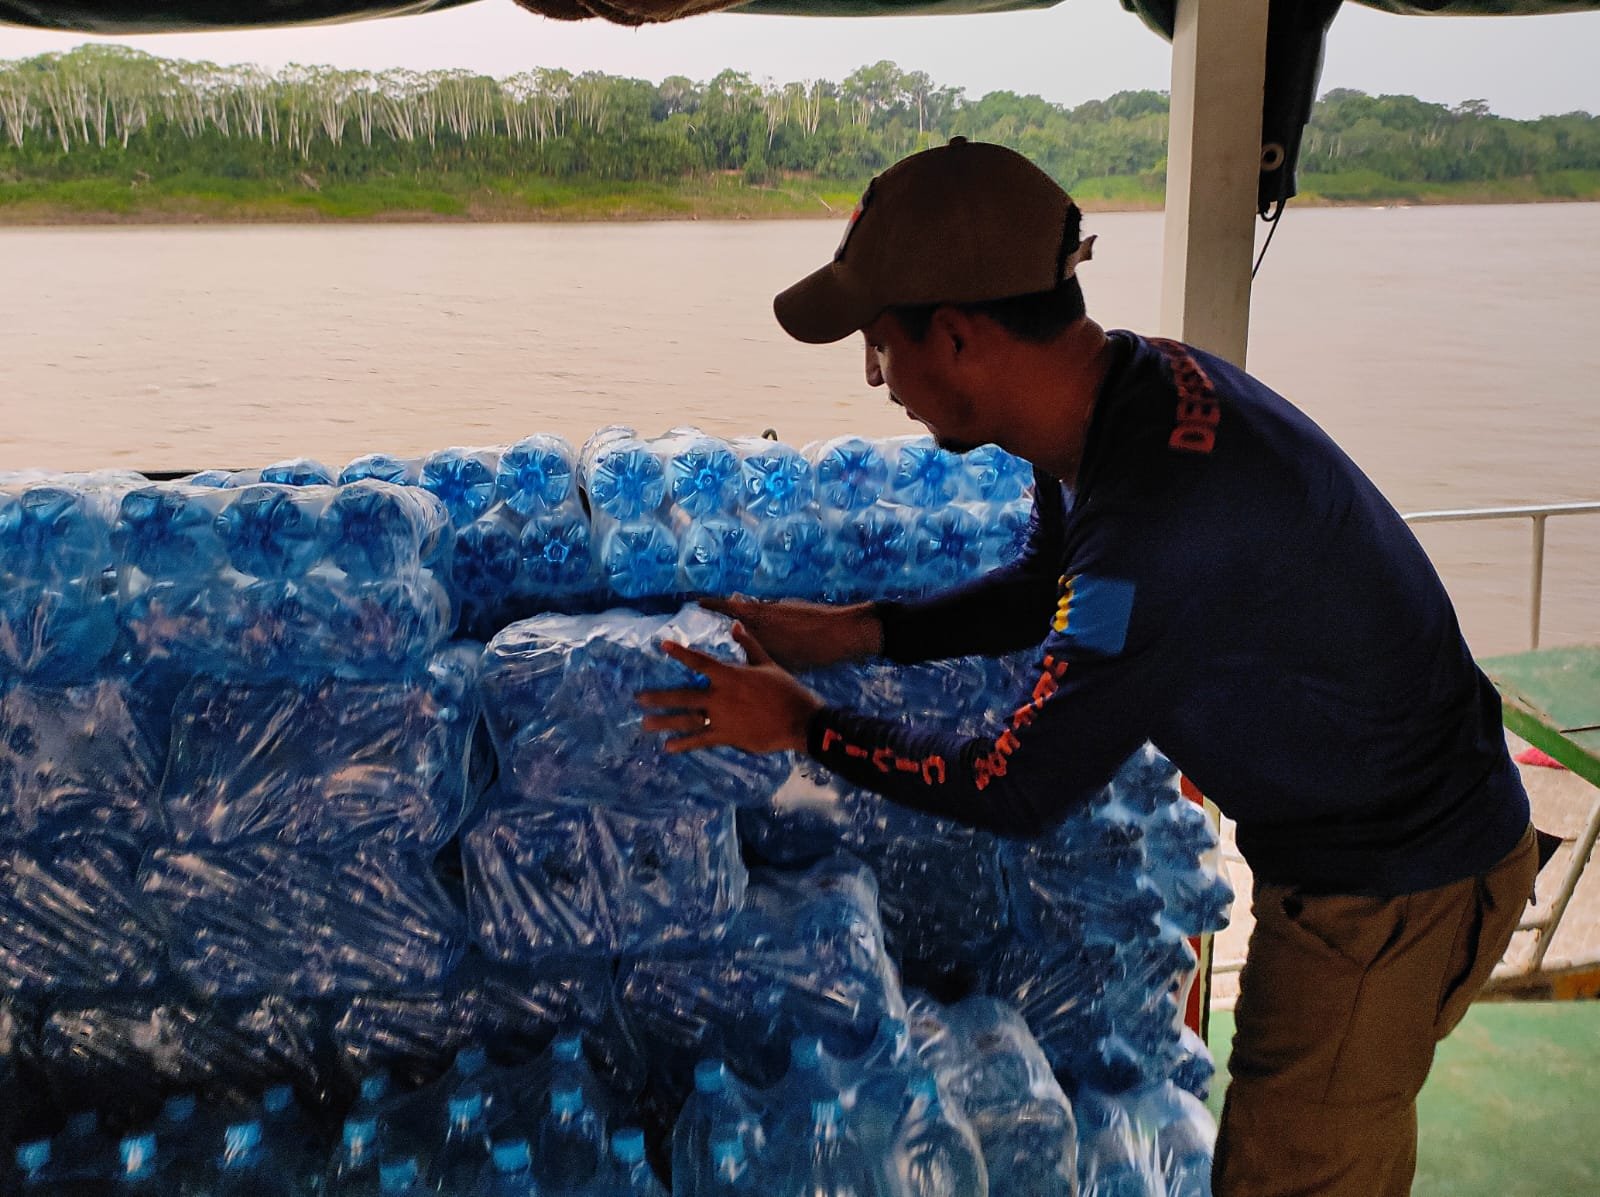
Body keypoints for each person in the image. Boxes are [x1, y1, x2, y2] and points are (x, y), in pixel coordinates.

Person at [636, 138, 1538, 1197]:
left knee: (1291, 1172)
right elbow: (1047, 584)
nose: (878, 382)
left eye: (880, 347)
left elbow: (1016, 783)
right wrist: (859, 631)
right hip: (1370, 847)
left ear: (959, 334)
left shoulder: (1162, 512)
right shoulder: (1125, 395)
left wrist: (799, 725)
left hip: (1388, 890)